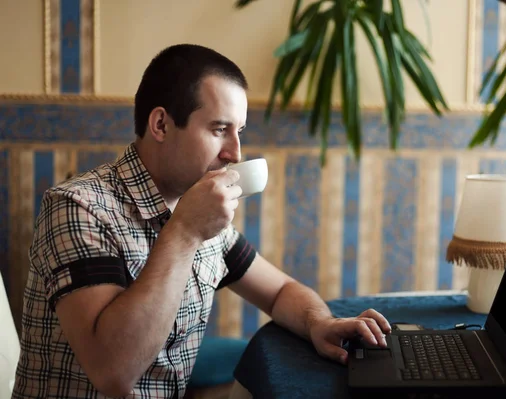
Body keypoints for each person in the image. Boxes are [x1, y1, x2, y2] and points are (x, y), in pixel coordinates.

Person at [11, 44, 391, 399]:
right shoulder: (78, 207)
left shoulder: (199, 208)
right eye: (218, 129)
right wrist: (185, 232)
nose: (235, 152)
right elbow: (113, 373)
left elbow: (278, 292)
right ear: (160, 124)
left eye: (238, 131)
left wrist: (318, 323)